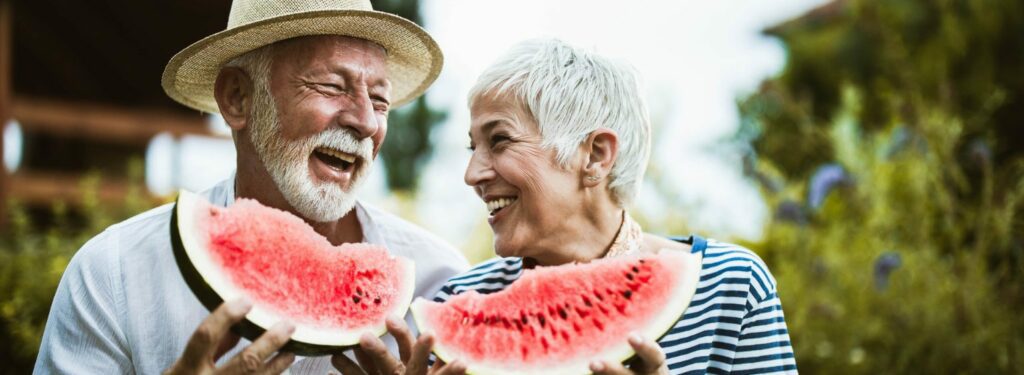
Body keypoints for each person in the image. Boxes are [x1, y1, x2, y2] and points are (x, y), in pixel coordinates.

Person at [33, 1, 469, 374]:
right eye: (332, 86)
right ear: (238, 97)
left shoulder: (442, 284)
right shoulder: (113, 275)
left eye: (380, 99)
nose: (366, 122)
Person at [434, 38, 798, 374]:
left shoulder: (729, 286)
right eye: (473, 147)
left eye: (500, 140)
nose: (472, 174)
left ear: (595, 155)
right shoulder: (461, 302)